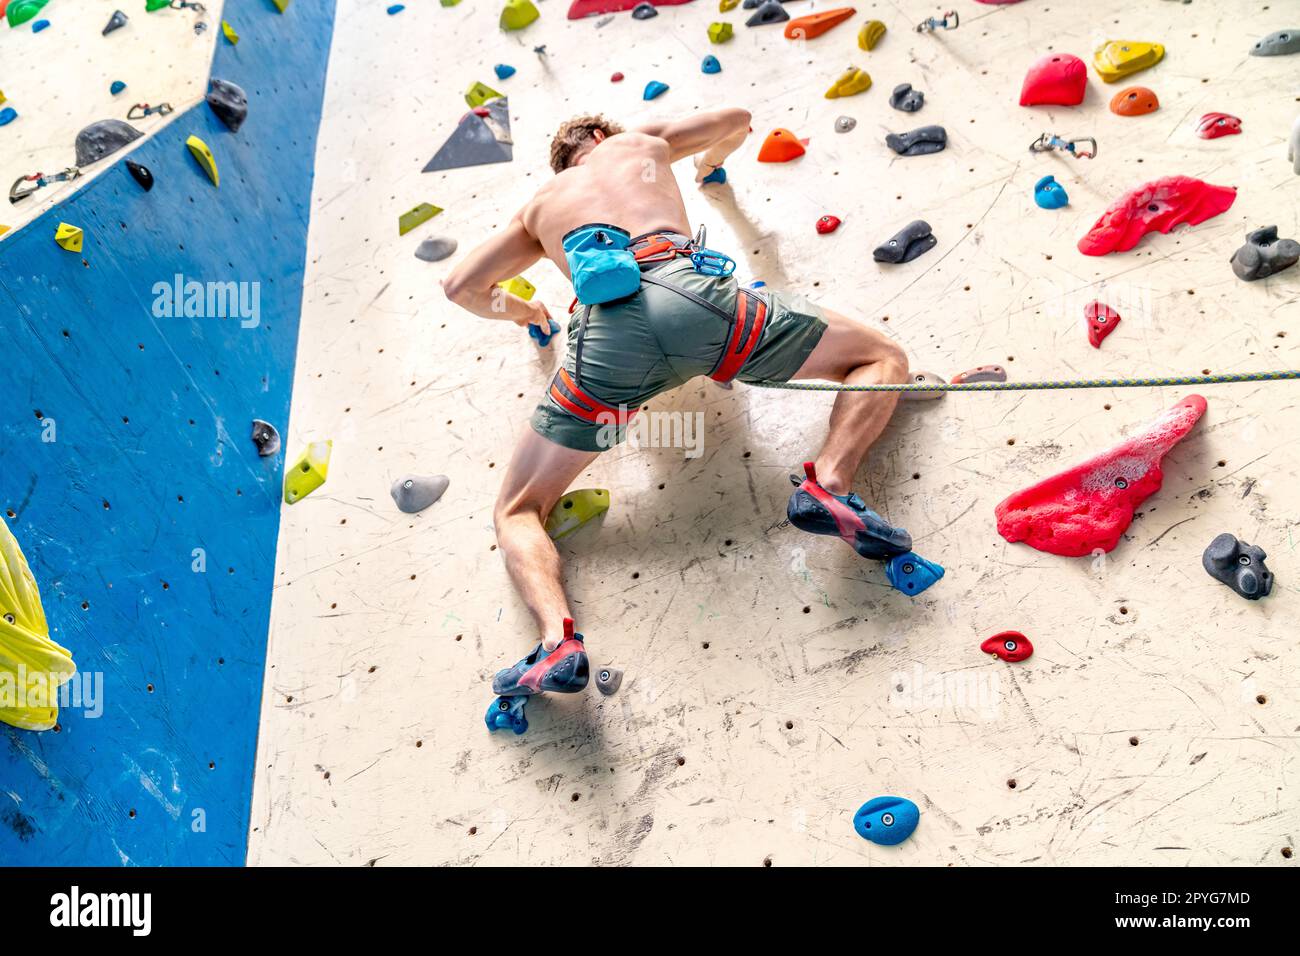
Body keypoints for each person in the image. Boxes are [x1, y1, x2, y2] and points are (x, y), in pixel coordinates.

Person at [442, 108, 911, 698]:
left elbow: (460, 288)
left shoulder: (539, 208)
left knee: (517, 510)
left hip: (608, 358)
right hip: (703, 309)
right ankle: (828, 484)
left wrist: (527, 313)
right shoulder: (641, 143)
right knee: (881, 357)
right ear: (597, 138)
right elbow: (737, 120)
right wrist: (712, 169)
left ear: (565, 164)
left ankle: (557, 642)